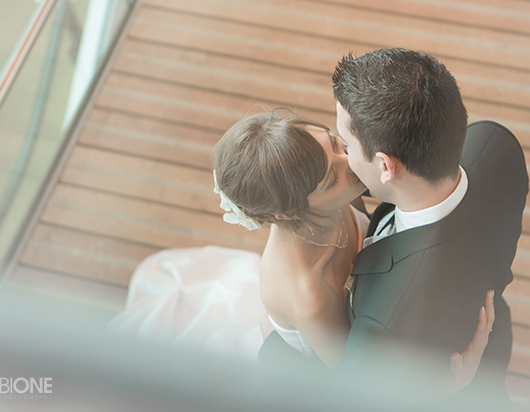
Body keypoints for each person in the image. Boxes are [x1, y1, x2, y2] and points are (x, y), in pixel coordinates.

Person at [109, 109, 495, 397]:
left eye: (334, 142)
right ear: (289, 212)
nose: (352, 163)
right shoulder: (309, 295)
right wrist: (452, 383)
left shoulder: (336, 192)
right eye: (332, 177)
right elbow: (357, 380)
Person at [260, 49, 529, 406]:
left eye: (347, 143)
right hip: (487, 337)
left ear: (385, 167)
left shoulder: (381, 325)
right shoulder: (495, 143)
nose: (344, 154)